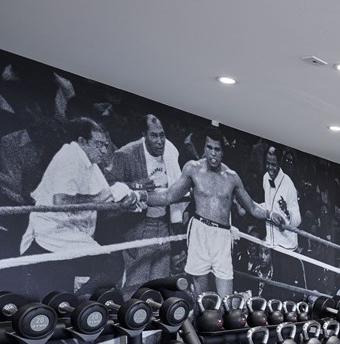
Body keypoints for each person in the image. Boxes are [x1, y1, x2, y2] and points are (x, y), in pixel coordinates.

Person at [19, 117, 140, 291]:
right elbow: (61, 201)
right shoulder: (70, 156)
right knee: (110, 266)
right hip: (48, 239)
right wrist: (103, 197)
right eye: (99, 144)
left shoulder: (91, 164)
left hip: (67, 239)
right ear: (82, 142)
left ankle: (79, 302)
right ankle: (81, 302)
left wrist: (127, 201)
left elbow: (105, 202)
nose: (104, 150)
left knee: (64, 295)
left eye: (106, 145)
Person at [146, 126, 271, 295]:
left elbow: (252, 207)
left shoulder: (232, 177)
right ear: (204, 147)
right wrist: (141, 197)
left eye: (217, 149)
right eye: (209, 147)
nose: (212, 153)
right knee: (201, 296)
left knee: (226, 297)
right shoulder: (193, 169)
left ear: (222, 152)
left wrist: (271, 214)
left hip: (222, 236)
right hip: (200, 231)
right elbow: (169, 196)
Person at [106, 114, 183, 295]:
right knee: (135, 286)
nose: (160, 141)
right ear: (144, 134)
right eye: (154, 135)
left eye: (162, 135)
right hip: (138, 226)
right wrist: (136, 186)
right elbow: (108, 185)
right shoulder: (127, 154)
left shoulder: (171, 153)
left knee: (159, 285)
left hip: (164, 225)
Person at [260, 145, 305, 291]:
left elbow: (297, 219)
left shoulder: (288, 185)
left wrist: (286, 213)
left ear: (279, 163)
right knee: (274, 286)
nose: (270, 167)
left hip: (286, 246)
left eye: (273, 164)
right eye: (268, 163)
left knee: (285, 289)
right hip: (272, 243)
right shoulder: (265, 178)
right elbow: (268, 206)